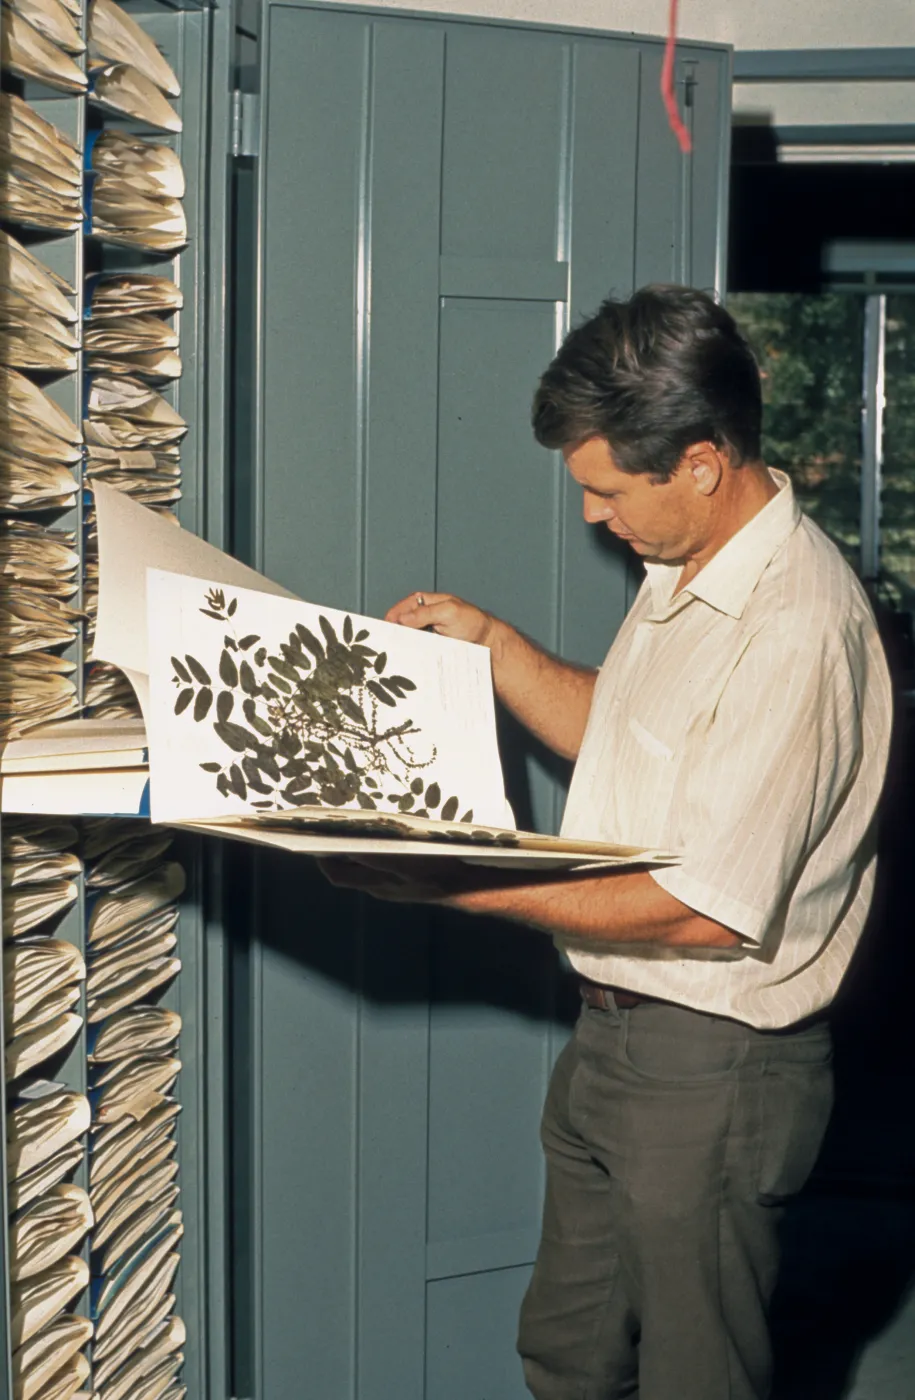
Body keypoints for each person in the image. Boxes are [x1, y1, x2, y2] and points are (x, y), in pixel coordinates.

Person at [320, 285, 893, 1400]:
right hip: (614, 1036)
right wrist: (494, 646)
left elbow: (705, 908)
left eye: (607, 489)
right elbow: (632, 740)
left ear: (701, 464)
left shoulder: (793, 628)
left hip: (713, 1065)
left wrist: (452, 883)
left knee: (695, 1375)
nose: (591, 515)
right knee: (569, 1353)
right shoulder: (688, 565)